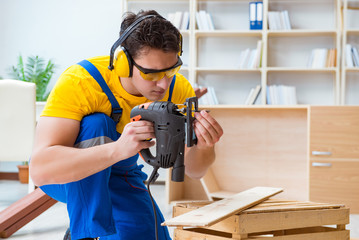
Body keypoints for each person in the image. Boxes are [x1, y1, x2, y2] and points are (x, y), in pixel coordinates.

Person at [30, 10, 223, 240]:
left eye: (171, 71)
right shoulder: (81, 82)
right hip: (69, 175)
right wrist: (117, 149)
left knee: (147, 233)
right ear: (124, 63)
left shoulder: (177, 89)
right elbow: (40, 171)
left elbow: (195, 170)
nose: (163, 84)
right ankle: (84, 235)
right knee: (96, 123)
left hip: (122, 172)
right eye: (151, 74)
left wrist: (204, 146)